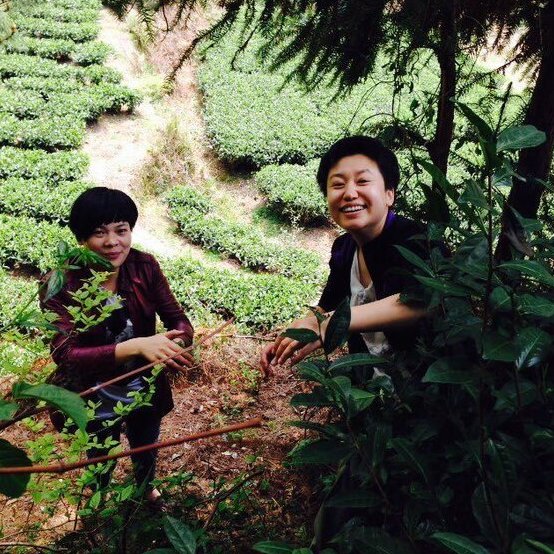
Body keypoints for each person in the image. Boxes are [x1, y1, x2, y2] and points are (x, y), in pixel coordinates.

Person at [41, 187, 194, 505]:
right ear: (82, 237)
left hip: (143, 385)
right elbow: (64, 354)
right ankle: (99, 499)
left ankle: (145, 489)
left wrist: (176, 344)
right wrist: (136, 346)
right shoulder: (60, 282)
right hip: (94, 391)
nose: (113, 242)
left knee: (145, 443)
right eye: (100, 233)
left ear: (130, 231)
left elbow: (178, 320)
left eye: (121, 230)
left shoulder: (143, 267)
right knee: (100, 452)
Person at [261, 135, 430, 372]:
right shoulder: (345, 247)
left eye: (362, 181)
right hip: (370, 390)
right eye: (338, 184)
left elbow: (417, 301)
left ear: (389, 193)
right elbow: (328, 305)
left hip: (428, 389)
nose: (349, 193)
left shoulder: (417, 239)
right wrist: (303, 330)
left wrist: (331, 324)